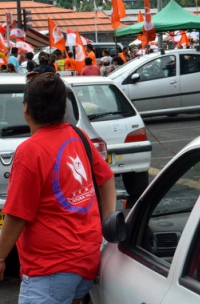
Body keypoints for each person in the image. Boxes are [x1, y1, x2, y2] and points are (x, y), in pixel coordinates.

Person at [0, 72, 116, 301]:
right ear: (63, 107)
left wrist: (1, 256)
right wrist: (108, 220)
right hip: (87, 261)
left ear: (26, 109)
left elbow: (17, 215)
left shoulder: (30, 151)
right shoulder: (78, 135)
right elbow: (107, 178)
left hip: (51, 269)